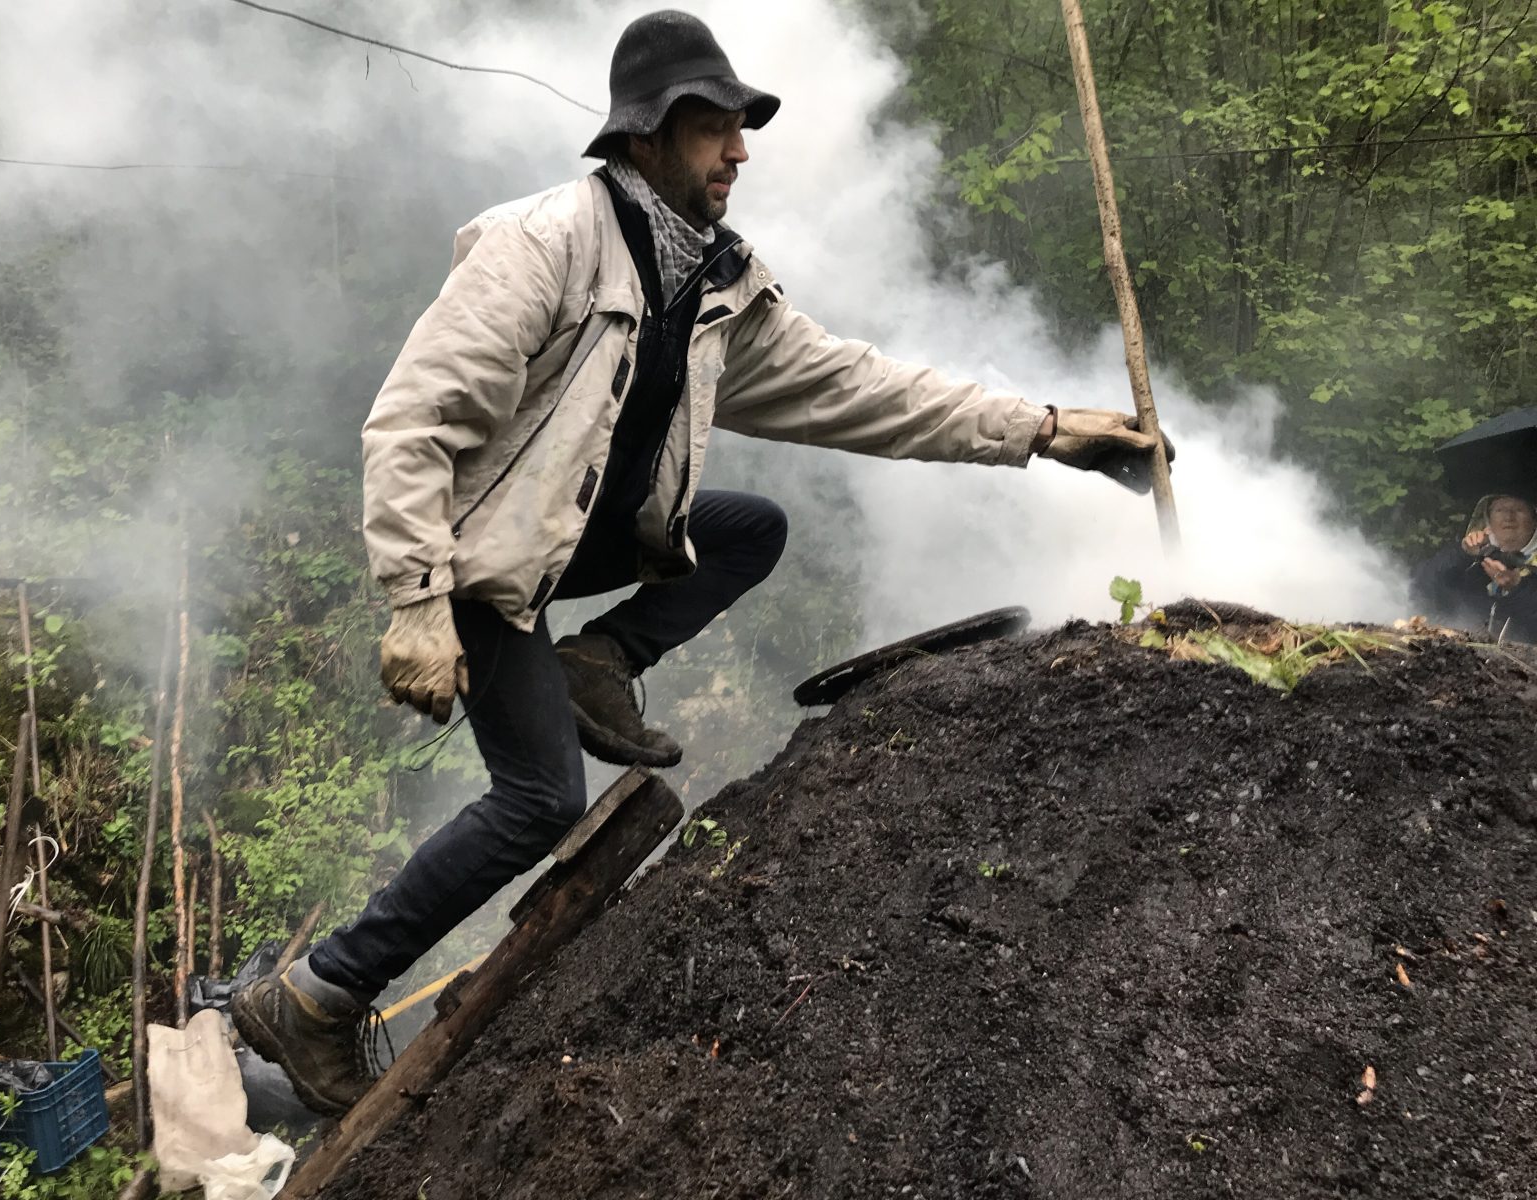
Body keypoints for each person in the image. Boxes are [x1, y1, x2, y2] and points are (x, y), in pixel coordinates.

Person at [231, 9, 1164, 1115]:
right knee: (540, 801)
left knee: (746, 528)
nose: (740, 151)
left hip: (579, 536)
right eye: (715, 127)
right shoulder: (544, 247)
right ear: (646, 135)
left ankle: (599, 662)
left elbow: (862, 390)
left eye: (741, 127)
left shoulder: (718, 286)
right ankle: (322, 993)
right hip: (482, 557)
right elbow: (411, 423)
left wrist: (1044, 428)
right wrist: (416, 600)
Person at [1411, 492, 1537, 643]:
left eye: (1518, 510)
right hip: (1465, 657)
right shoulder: (1472, 557)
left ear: (1534, 518)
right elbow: (1421, 590)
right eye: (1500, 510)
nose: (1508, 517)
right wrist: (1462, 553)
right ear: (1488, 520)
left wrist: (1518, 587)